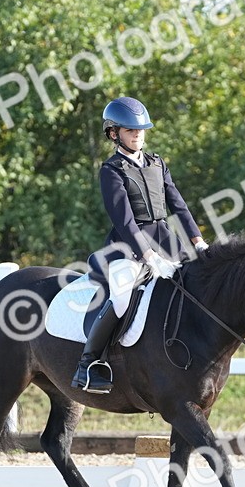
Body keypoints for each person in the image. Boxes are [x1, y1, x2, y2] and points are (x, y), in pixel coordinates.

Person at [71, 96, 209, 394]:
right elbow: (124, 220)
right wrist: (147, 255)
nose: (138, 135)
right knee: (121, 297)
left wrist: (198, 242)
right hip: (128, 246)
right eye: (131, 131)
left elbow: (179, 205)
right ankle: (89, 363)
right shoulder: (112, 170)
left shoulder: (157, 163)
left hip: (166, 240)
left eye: (141, 130)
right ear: (113, 134)